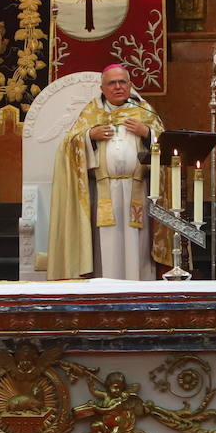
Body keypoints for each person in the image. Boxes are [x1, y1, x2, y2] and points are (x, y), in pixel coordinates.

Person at [47, 65, 170, 280]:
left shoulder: (145, 111)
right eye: (112, 83)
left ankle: (139, 290)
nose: (118, 86)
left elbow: (168, 148)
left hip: (137, 189)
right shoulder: (91, 113)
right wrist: (89, 136)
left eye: (122, 82)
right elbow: (67, 146)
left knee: (137, 244)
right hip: (104, 190)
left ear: (130, 86)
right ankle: (107, 288)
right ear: (102, 88)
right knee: (107, 243)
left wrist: (147, 133)